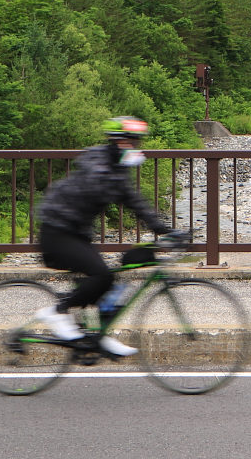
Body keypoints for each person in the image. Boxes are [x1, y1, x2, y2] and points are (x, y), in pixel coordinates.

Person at [36, 115, 185, 357]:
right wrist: (119, 174)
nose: (133, 148)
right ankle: (57, 311)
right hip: (57, 231)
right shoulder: (99, 162)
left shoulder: (116, 171)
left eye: (136, 143)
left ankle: (98, 337)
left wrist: (166, 231)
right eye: (129, 142)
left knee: (110, 284)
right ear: (115, 142)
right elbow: (97, 182)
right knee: (101, 274)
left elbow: (137, 203)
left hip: (76, 233)